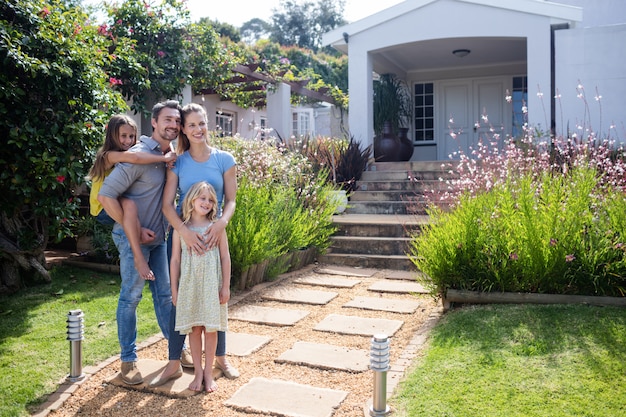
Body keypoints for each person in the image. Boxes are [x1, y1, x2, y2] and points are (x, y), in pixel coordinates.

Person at [151, 102, 238, 387]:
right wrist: (183, 233)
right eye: (191, 125)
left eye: (202, 123)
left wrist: (221, 224)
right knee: (180, 301)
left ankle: (220, 359)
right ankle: (174, 361)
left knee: (216, 297)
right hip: (182, 236)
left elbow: (232, 200)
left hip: (213, 233)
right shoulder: (179, 162)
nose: (198, 129)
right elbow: (166, 205)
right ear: (184, 131)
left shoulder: (225, 159)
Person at [97, 100, 181, 385]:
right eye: (167, 119)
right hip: (132, 236)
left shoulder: (172, 156)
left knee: (166, 296)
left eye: (177, 121)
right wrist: (131, 227)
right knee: (131, 297)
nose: (173, 125)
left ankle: (176, 351)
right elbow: (105, 197)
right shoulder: (138, 154)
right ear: (154, 122)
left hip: (159, 238)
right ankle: (128, 360)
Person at [87, 114, 177, 280]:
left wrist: (169, 150)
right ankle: (139, 258)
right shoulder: (108, 155)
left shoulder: (130, 149)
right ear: (113, 136)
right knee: (129, 204)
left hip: (113, 202)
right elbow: (135, 157)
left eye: (131, 136)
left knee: (130, 204)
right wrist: (163, 158)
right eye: (123, 136)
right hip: (102, 209)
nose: (128, 141)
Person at [169, 181, 230, 392]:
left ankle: (208, 373)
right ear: (192, 200)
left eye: (211, 200)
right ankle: (196, 372)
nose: (206, 202)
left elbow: (225, 257)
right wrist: (174, 290)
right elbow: (175, 260)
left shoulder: (217, 228)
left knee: (211, 329)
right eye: (202, 198)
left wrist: (226, 287)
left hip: (212, 287)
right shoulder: (181, 230)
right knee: (194, 329)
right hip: (190, 286)